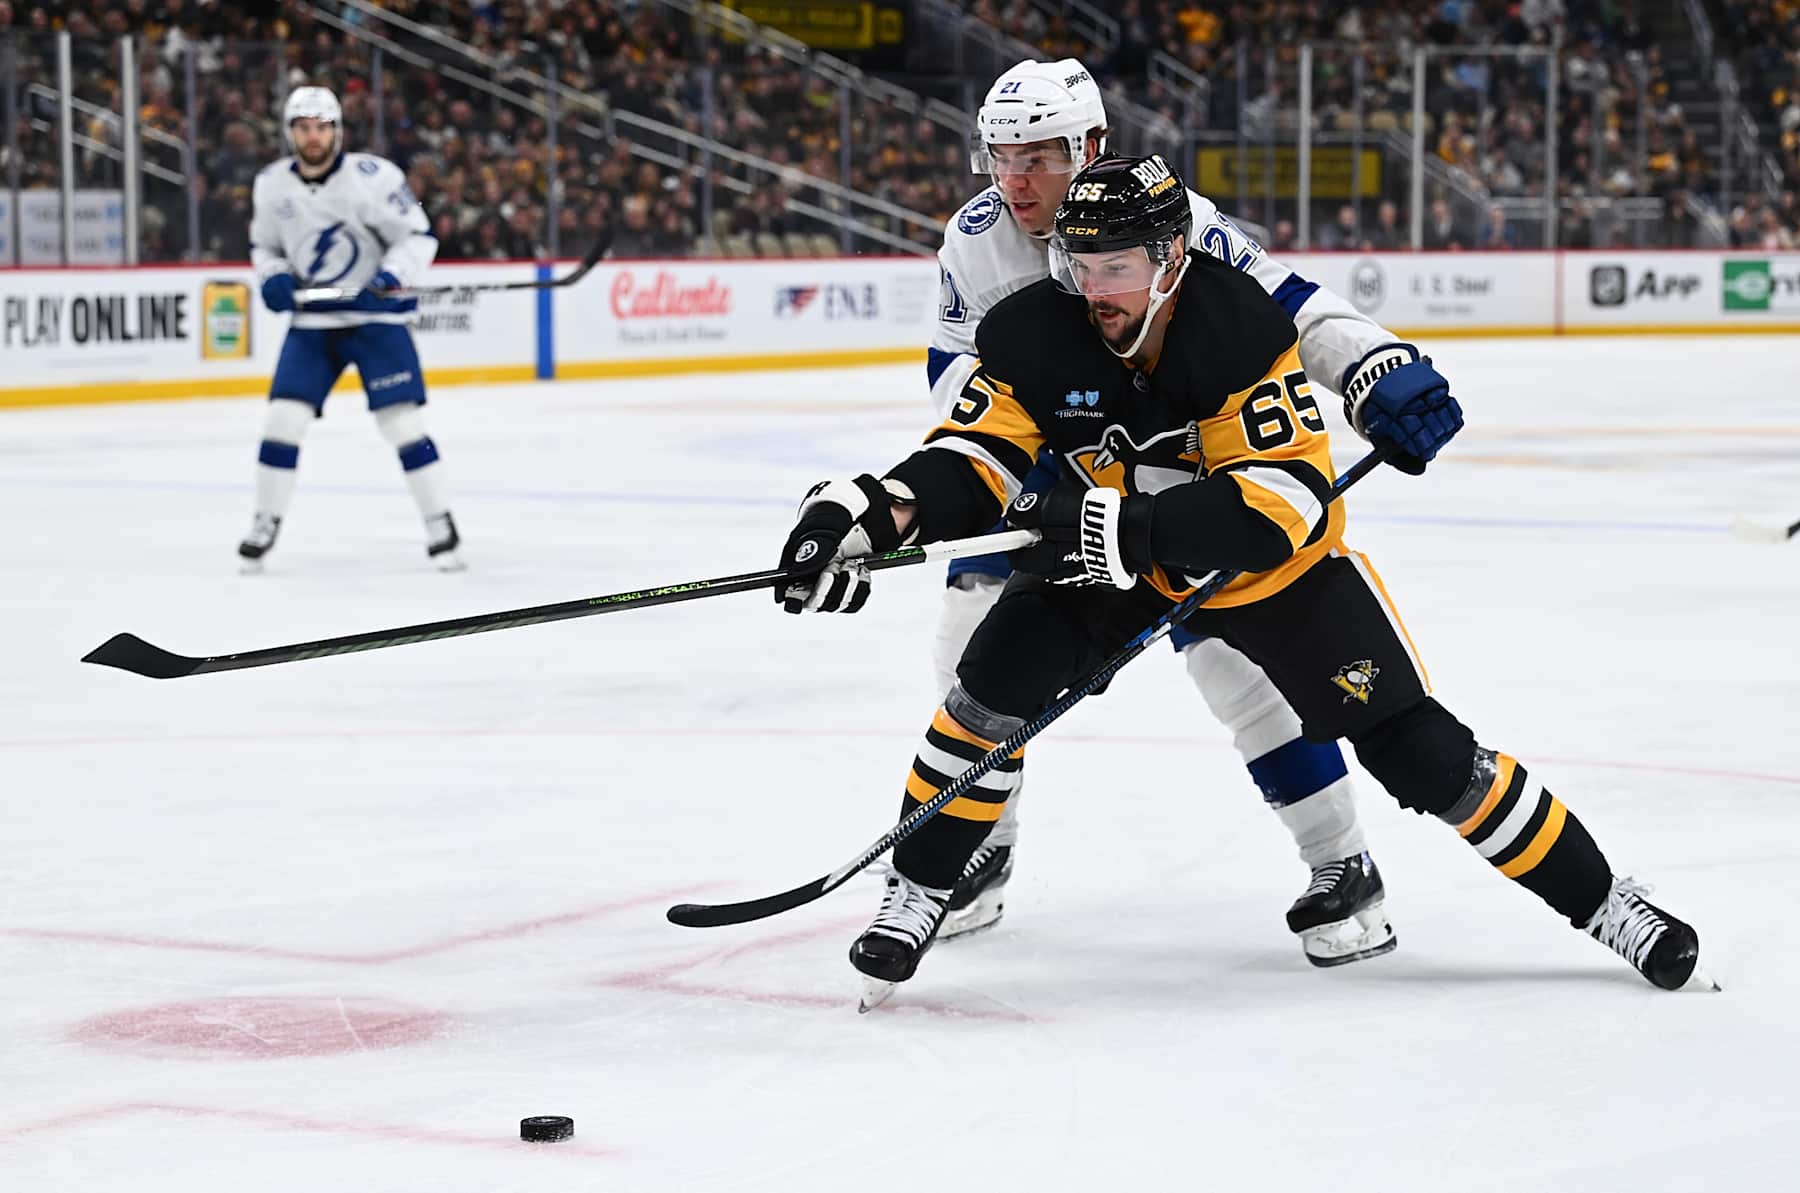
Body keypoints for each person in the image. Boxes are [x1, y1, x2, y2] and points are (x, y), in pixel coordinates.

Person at [774, 153, 1713, 1012]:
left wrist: (1122, 525)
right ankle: (922, 886)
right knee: (986, 694)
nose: (1093, 289)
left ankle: (1608, 903)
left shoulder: (1239, 326)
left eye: (1116, 267)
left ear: (1172, 256)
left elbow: (1280, 509)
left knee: (1422, 754)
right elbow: (976, 455)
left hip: (1270, 573)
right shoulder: (1031, 331)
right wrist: (870, 509)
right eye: (1077, 263)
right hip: (1115, 557)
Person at [862, 58, 1460, 967]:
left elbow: (1285, 310)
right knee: (970, 651)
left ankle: (1345, 866)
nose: (1016, 180)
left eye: (1041, 156)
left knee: (1239, 670)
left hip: (1179, 479)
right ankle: (977, 851)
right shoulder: (973, 236)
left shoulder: (1162, 217)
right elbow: (955, 370)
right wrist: (1019, 467)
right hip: (1055, 485)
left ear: (1091, 148)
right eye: (1000, 156)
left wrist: (1370, 361)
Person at [240, 85, 463, 572]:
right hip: (314, 322)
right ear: (290, 132)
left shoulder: (374, 178)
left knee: (402, 424)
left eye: (321, 127)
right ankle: (265, 519)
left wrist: (390, 279)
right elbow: (264, 246)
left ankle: (439, 521)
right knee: (282, 420)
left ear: (336, 130)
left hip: (375, 320)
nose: (313, 137)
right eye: (303, 128)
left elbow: (417, 237)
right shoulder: (272, 184)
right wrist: (273, 275)